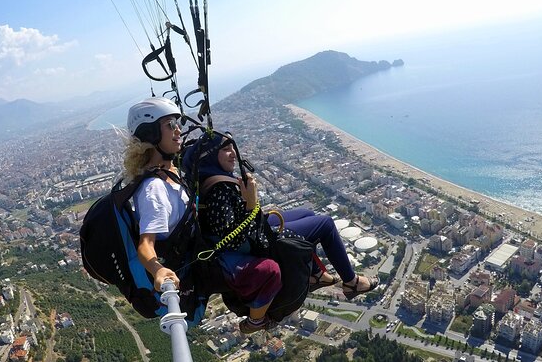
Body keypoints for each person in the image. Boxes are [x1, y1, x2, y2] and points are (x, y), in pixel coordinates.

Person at [181, 132, 378, 329]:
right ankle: (352, 283)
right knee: (325, 224)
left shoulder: (210, 180)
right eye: (225, 149)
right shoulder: (219, 191)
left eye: (233, 148)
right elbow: (237, 239)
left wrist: (250, 205)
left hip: (251, 229)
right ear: (209, 156)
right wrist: (251, 202)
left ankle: (316, 275)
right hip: (254, 242)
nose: (233, 153)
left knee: (307, 213)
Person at [124, 97, 189, 292]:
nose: (178, 130)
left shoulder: (169, 172)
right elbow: (145, 244)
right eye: (170, 125)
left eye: (177, 123)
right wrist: (157, 270)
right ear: (151, 134)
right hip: (192, 262)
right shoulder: (155, 188)